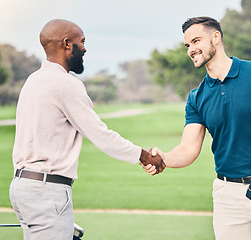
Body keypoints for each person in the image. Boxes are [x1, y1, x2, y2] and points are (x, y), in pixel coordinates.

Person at [143, 16, 251, 240]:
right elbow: (188, 148)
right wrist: (164, 158)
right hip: (226, 194)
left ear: (216, 37)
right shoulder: (196, 97)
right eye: (187, 45)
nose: (191, 49)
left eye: (196, 41)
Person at [9, 19, 165, 240]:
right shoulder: (66, 84)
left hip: (22, 188)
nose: (85, 48)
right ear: (66, 44)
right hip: (47, 191)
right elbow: (100, 135)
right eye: (81, 42)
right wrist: (145, 156)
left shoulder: (33, 80)